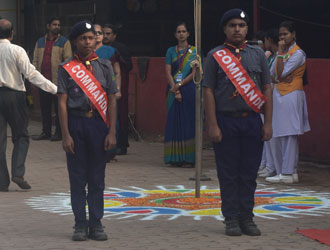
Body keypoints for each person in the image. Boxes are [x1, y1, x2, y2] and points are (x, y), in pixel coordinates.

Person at [203, 9, 273, 236]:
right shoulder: (215, 55)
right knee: (228, 172)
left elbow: (266, 89)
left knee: (249, 172)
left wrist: (268, 122)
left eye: (241, 25)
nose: (237, 29)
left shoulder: (258, 55)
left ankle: (247, 217)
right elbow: (209, 91)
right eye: (232, 25)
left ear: (246, 29)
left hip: (252, 120)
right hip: (226, 121)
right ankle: (231, 218)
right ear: (225, 29)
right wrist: (212, 124)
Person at [57, 20, 117, 241]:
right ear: (75, 41)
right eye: (83, 38)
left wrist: (111, 132)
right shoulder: (65, 68)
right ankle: (80, 224)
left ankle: (96, 223)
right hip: (76, 124)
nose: (88, 42)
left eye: (91, 38)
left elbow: (111, 99)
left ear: (96, 40)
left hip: (98, 125)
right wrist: (65, 134)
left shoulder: (105, 66)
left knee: (97, 178)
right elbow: (62, 102)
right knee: (77, 177)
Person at [0, 19, 57, 192]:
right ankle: (18, 172)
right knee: (21, 136)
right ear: (12, 34)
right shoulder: (16, 50)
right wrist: (55, 89)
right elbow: (31, 74)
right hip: (14, 95)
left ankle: (2, 182)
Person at [265, 21, 310, 184]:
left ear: (293, 34)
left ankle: (288, 171)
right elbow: (273, 75)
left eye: (286, 34)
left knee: (289, 132)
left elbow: (280, 73)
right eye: (281, 35)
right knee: (279, 132)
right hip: (280, 93)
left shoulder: (298, 53)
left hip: (292, 94)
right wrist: (281, 58)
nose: (283, 37)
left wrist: (281, 72)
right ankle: (287, 171)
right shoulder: (283, 52)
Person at [32, 17, 72, 141]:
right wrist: (35, 78)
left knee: (60, 108)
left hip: (58, 82)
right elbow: (35, 60)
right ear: (48, 26)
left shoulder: (64, 42)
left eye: (58, 25)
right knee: (45, 109)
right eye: (54, 24)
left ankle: (59, 133)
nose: (57, 27)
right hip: (43, 81)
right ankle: (46, 132)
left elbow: (68, 61)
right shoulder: (40, 42)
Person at [164, 22, 196, 168]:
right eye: (179, 31)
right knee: (173, 122)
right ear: (175, 35)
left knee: (188, 123)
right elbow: (167, 71)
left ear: (188, 34)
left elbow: (195, 73)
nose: (181, 34)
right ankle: (174, 157)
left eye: (184, 31)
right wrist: (175, 89)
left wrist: (180, 85)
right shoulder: (171, 51)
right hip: (172, 91)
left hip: (189, 90)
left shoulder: (195, 51)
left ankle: (188, 158)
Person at [103, 23, 133, 155]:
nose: (105, 36)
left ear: (114, 35)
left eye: (108, 34)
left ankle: (122, 144)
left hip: (119, 86)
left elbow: (127, 67)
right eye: (103, 33)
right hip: (103, 86)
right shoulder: (99, 48)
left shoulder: (120, 48)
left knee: (120, 113)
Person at [94, 23, 121, 161]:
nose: (97, 35)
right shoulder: (86, 51)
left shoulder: (110, 51)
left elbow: (117, 72)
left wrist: (118, 89)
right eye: (95, 32)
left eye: (100, 33)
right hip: (92, 92)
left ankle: (110, 151)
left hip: (108, 91)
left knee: (110, 120)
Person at [258, 28, 279, 178]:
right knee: (263, 133)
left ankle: (272, 165)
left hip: (273, 95)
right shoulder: (268, 56)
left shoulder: (279, 56)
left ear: (269, 40)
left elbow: (275, 76)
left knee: (270, 131)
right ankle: (266, 163)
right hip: (264, 95)